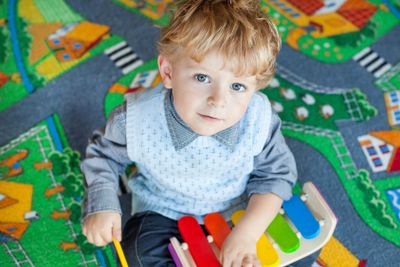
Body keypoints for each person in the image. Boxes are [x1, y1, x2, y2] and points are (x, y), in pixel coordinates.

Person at [81, 0, 297, 266]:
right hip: (164, 210)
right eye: (202, 78)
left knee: (290, 248)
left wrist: (247, 233)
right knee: (135, 254)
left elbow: (275, 175)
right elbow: (104, 155)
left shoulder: (259, 120)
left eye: (238, 86)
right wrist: (102, 203)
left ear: (255, 88)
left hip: (237, 208)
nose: (218, 100)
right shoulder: (137, 119)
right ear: (168, 71)